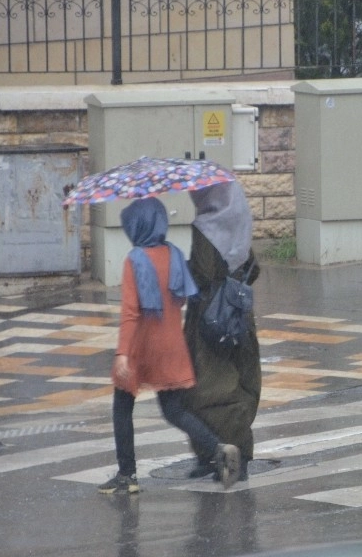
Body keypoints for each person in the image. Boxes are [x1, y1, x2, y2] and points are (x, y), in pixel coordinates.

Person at [98, 197, 241, 494]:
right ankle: (218, 449)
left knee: (122, 409)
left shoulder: (134, 260)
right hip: (172, 346)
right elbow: (182, 298)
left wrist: (122, 354)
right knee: (174, 410)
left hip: (140, 348)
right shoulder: (174, 255)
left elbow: (130, 313)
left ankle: (127, 475)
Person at [183, 181, 262, 482]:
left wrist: (185, 269)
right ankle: (236, 452)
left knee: (209, 386)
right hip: (238, 315)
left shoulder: (205, 226)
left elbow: (203, 273)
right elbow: (253, 268)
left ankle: (216, 454)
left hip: (209, 318)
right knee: (239, 382)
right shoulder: (239, 223)